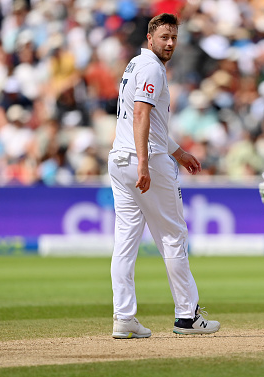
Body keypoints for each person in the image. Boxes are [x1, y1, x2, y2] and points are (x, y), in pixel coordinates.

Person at [108, 13, 220, 339]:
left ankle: (124, 317)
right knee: (173, 235)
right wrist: (145, 162)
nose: (169, 43)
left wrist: (179, 153)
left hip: (121, 158)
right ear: (150, 38)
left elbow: (147, 121)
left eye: (173, 37)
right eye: (164, 37)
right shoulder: (153, 68)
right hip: (147, 162)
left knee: (125, 242)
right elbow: (141, 113)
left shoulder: (134, 65)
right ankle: (187, 316)